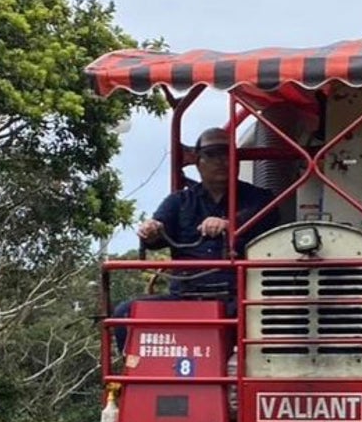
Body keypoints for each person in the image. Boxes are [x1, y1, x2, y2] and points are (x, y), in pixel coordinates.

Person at [112, 128, 282, 356]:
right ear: (198, 161)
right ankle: (135, 376)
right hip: (186, 296)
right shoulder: (179, 201)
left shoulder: (261, 199)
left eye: (227, 153)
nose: (221, 161)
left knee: (284, 319)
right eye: (212, 154)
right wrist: (151, 230)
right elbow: (157, 231)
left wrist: (229, 224)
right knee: (124, 314)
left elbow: (265, 220)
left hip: (241, 298)